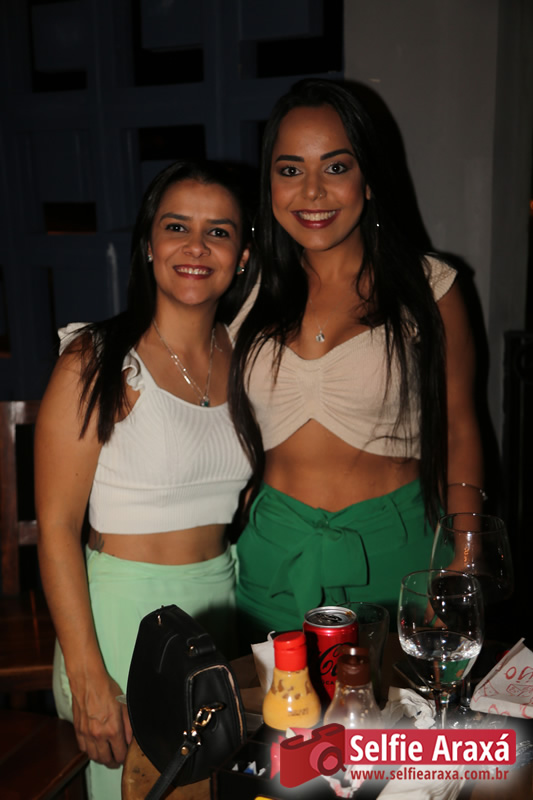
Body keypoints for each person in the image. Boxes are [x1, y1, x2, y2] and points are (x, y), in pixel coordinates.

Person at [229, 78, 484, 643]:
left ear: (368, 179)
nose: (311, 192)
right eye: (290, 169)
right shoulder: (245, 290)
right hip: (272, 558)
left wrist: (465, 560)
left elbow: (461, 429)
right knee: (273, 704)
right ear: (270, 183)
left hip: (397, 561)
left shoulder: (429, 287)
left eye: (336, 167)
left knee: (397, 703)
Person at [35, 159, 254, 799]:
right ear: (149, 245)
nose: (196, 246)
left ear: (242, 257)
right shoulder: (96, 361)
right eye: (177, 226)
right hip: (119, 622)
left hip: (219, 611)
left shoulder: (247, 357)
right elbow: (56, 528)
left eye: (218, 231)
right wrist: (88, 676)